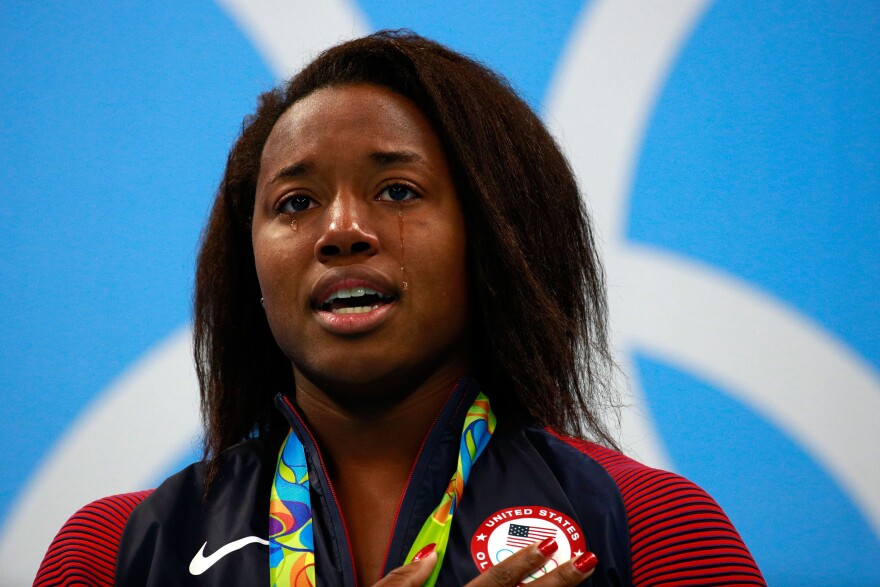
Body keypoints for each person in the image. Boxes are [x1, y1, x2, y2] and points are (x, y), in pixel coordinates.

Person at [35, 31, 765, 586]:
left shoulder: (656, 528)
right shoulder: (113, 550)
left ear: (490, 238)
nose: (341, 230)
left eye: (397, 191)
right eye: (295, 202)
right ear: (250, 266)